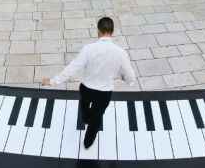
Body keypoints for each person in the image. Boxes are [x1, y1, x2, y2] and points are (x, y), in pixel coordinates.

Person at [42, 17, 135, 149]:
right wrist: (125, 79)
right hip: (104, 93)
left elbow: (72, 68)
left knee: (84, 106)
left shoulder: (88, 49)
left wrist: (52, 81)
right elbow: (130, 77)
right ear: (112, 32)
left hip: (86, 89)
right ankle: (87, 142)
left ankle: (85, 117)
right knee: (97, 118)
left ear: (98, 31)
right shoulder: (120, 53)